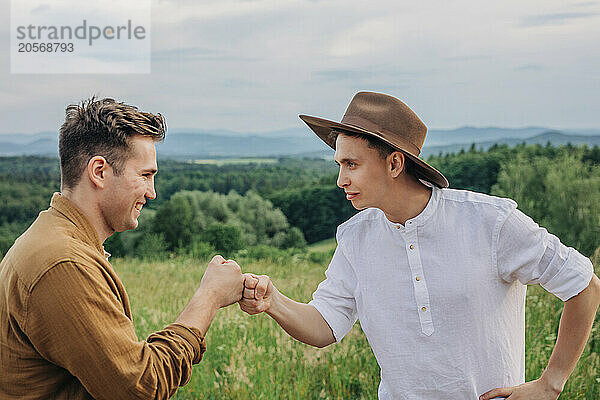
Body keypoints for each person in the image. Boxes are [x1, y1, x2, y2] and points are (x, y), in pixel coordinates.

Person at [239, 91, 600, 399]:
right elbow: (324, 326)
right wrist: (274, 302)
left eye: (351, 164)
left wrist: (551, 384)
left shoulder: (490, 222)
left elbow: (583, 284)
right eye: (339, 164)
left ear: (394, 163)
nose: (340, 179)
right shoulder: (354, 238)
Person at [0, 97, 244, 399]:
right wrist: (210, 297)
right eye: (145, 175)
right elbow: (138, 388)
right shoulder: (64, 263)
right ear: (99, 171)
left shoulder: (54, 242)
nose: (152, 193)